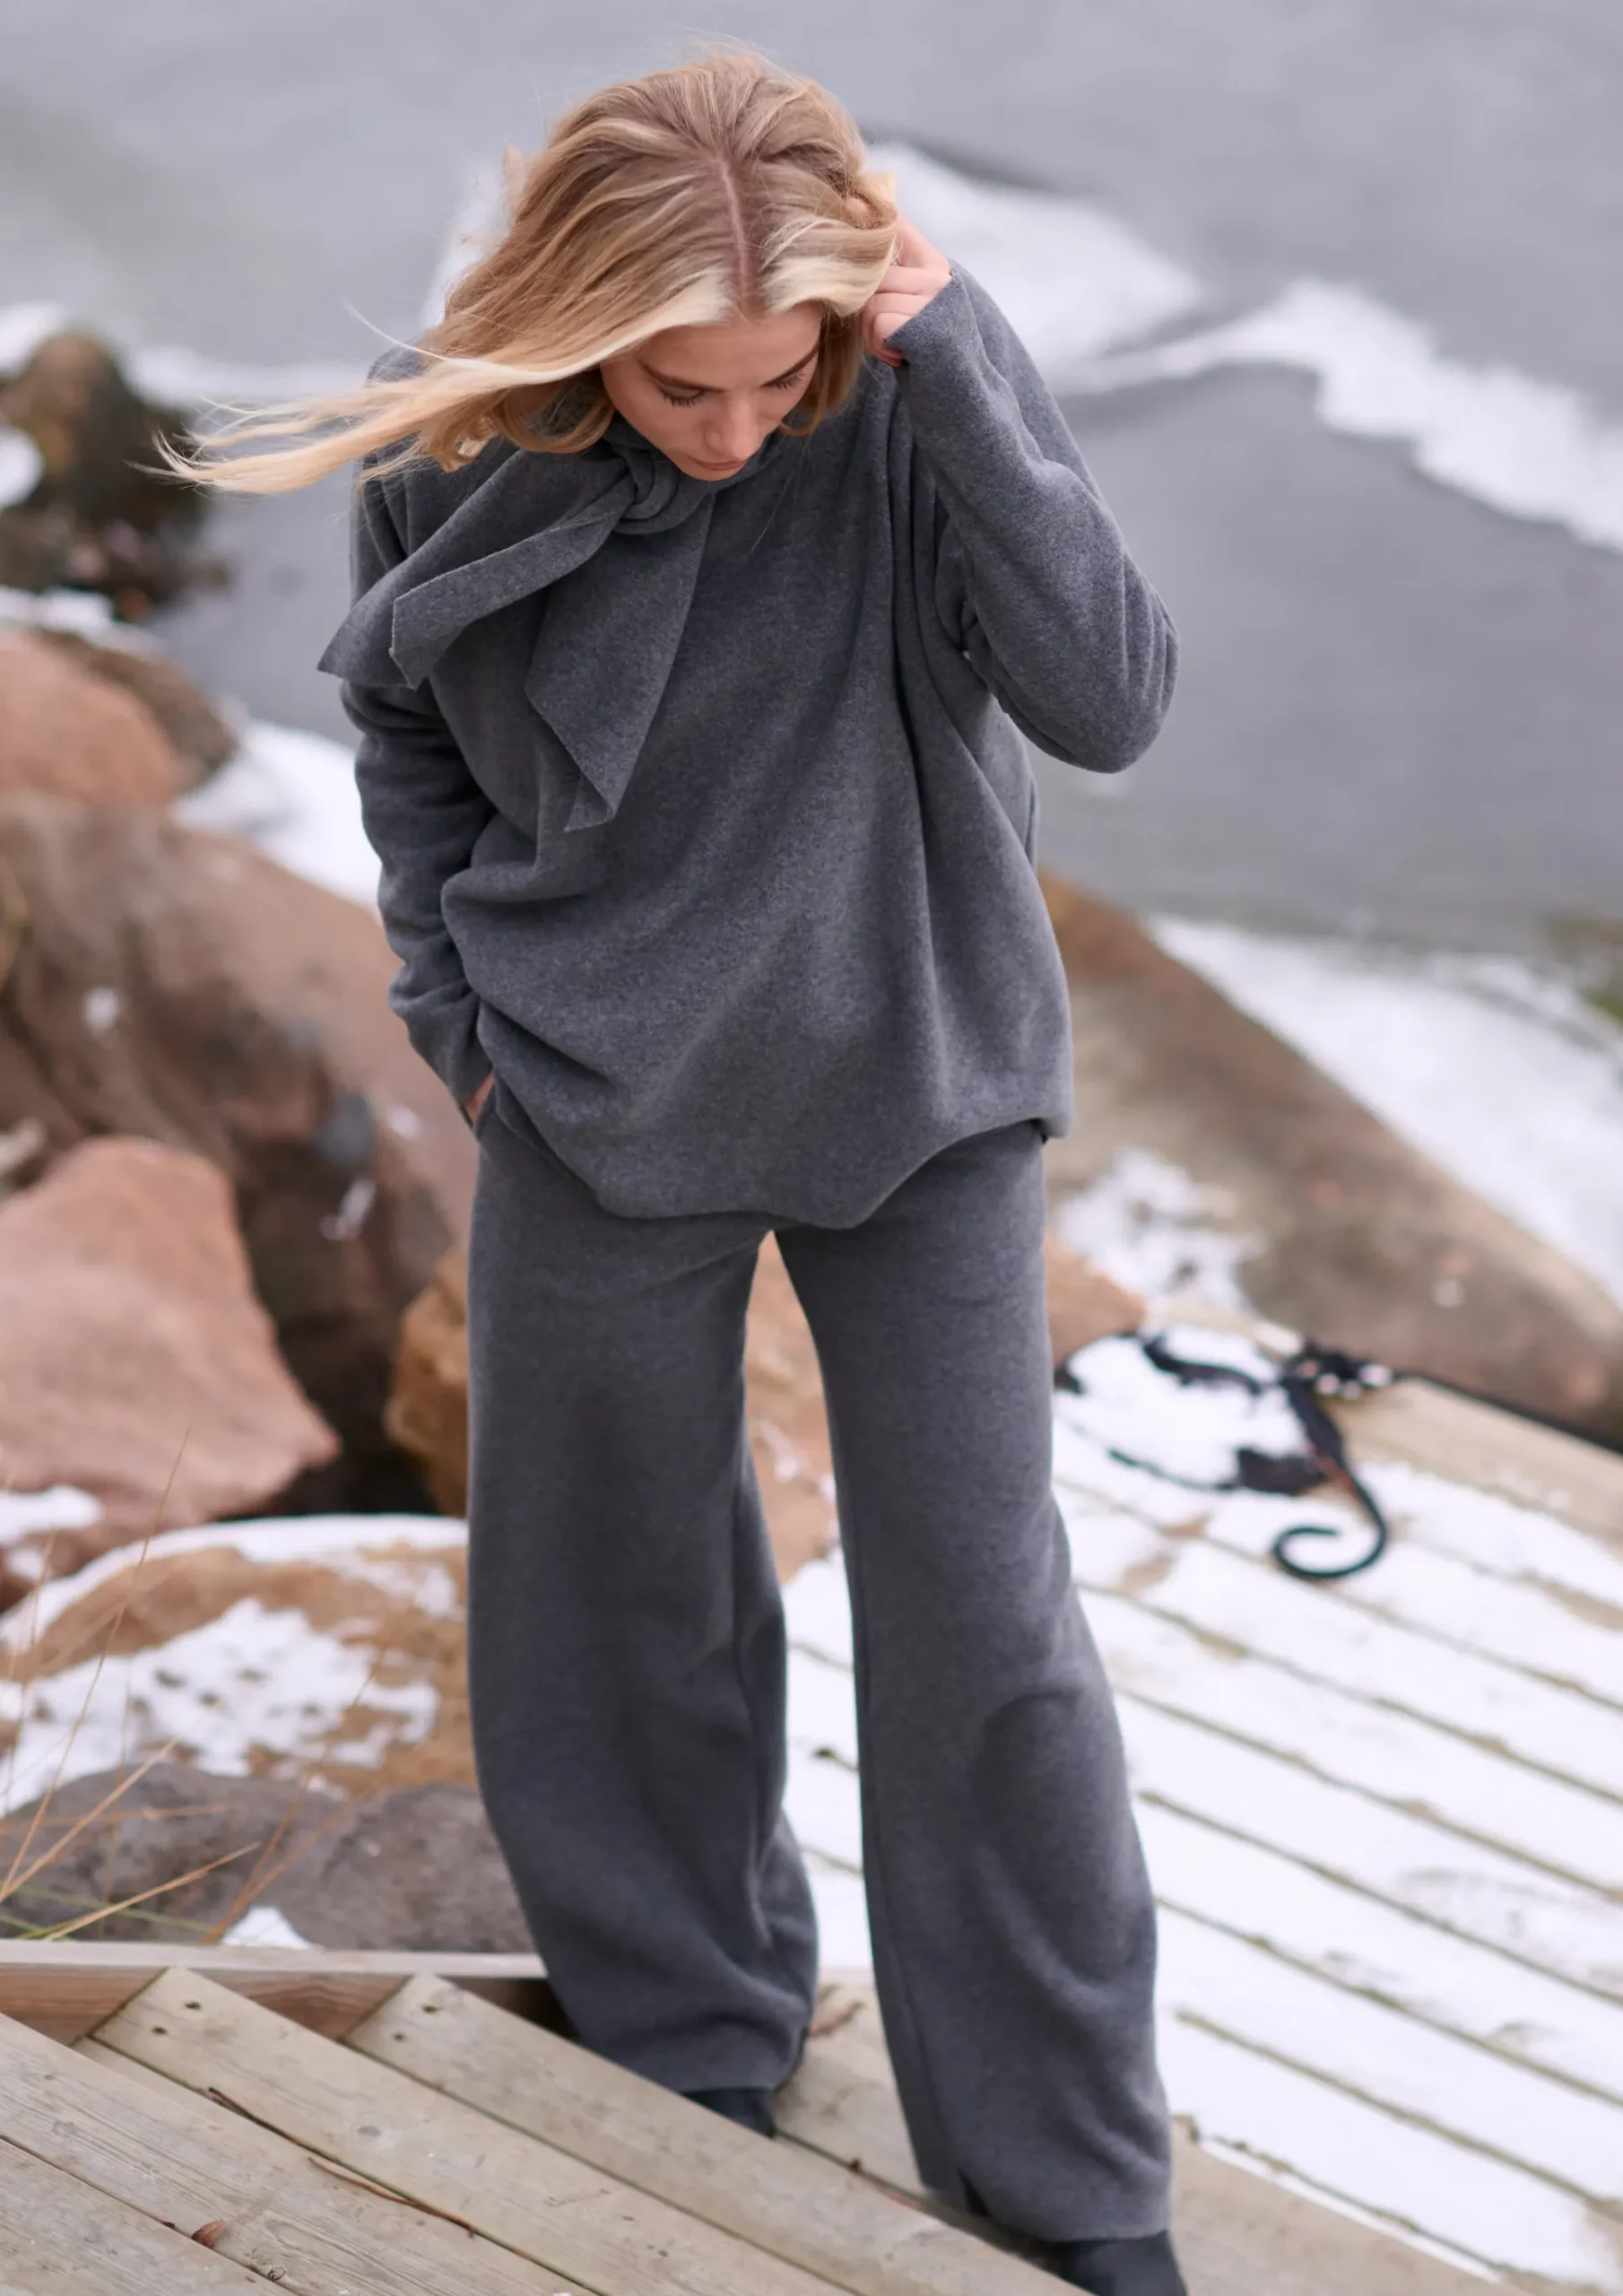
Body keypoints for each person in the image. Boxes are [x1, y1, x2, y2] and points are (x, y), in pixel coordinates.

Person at [183, 51, 1184, 2295]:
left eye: (774, 372)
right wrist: (460, 1015)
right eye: (678, 383)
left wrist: (948, 347)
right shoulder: (451, 442)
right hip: (590, 1088)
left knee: (982, 1620)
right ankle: (685, 2038)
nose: (733, 426)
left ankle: (1067, 2174)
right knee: (607, 1584)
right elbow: (403, 727)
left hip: (916, 1068)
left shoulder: (906, 408)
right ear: (581, 321)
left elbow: (1110, 698)